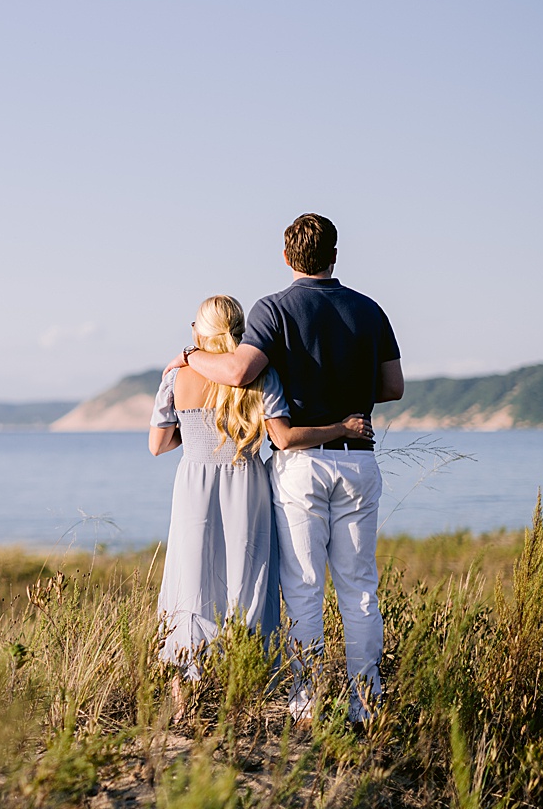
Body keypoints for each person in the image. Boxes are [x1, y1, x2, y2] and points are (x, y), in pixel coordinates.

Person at [166, 214, 404, 724]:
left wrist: (188, 354)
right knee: (360, 586)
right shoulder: (370, 310)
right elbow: (392, 387)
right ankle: (367, 703)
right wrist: (349, 407)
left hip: (300, 464)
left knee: (303, 586)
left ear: (286, 257)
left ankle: (307, 702)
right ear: (336, 252)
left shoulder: (274, 308)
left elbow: (236, 371)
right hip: (359, 459)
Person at [149, 294, 372, 712]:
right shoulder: (261, 377)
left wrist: (195, 436)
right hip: (247, 483)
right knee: (248, 578)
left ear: (200, 331)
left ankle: (184, 698)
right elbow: (282, 436)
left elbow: (158, 445)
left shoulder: (175, 378)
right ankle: (245, 688)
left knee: (191, 579)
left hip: (194, 484)